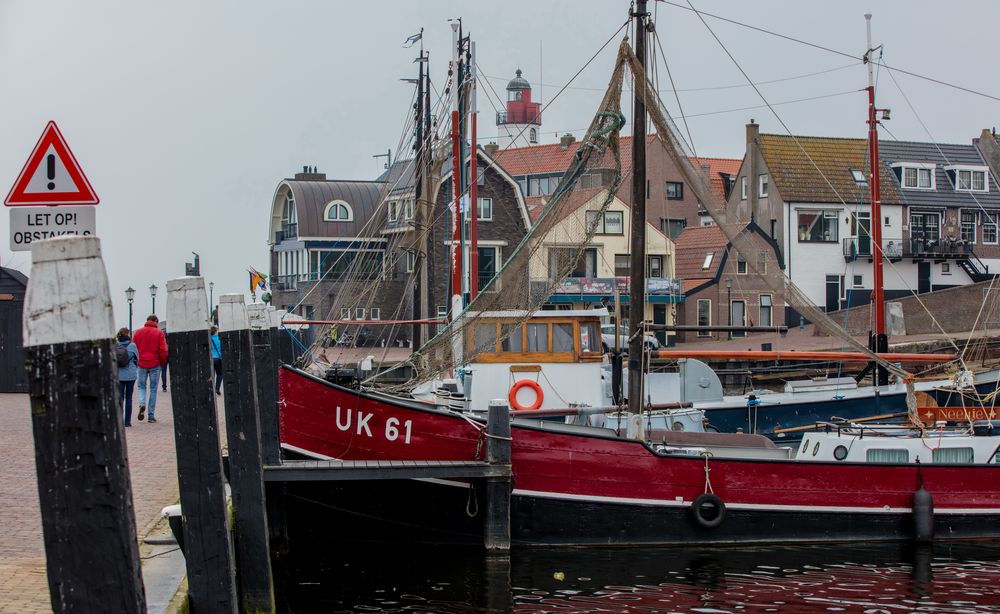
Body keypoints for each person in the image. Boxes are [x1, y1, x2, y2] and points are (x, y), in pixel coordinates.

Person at [133, 314, 168, 423]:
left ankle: (142, 404)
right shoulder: (159, 333)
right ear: (156, 322)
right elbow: (163, 350)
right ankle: (151, 415)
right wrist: (162, 362)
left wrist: (136, 361)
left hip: (141, 364)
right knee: (153, 389)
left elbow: (133, 348)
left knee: (141, 386)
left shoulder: (138, 332)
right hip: (155, 364)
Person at [116, 328, 139, 427]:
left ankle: (119, 420)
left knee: (120, 398)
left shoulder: (116, 345)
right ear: (128, 334)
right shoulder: (132, 345)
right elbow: (137, 359)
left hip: (119, 375)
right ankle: (127, 422)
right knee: (129, 398)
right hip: (131, 375)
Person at [210, 325, 223, 395]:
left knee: (212, 375)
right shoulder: (219, 339)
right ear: (215, 331)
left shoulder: (209, 339)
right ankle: (217, 388)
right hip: (218, 359)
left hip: (211, 359)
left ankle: (211, 388)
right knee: (220, 374)